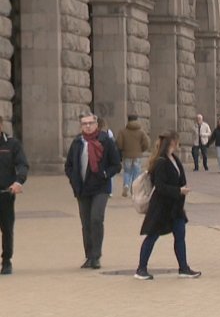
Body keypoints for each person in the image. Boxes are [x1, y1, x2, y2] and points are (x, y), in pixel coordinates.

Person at [133, 130, 201, 280]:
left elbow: (179, 178)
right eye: (177, 141)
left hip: (175, 207)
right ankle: (141, 268)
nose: (178, 144)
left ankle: (183, 268)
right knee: (152, 236)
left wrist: (181, 189)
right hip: (161, 207)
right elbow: (160, 186)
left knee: (180, 235)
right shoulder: (161, 162)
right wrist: (178, 190)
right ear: (172, 142)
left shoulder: (173, 159)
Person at [64, 112, 122, 270]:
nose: (88, 126)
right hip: (82, 189)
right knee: (86, 223)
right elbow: (68, 165)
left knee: (96, 219)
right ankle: (89, 256)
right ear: (81, 126)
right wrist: (73, 179)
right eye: (84, 124)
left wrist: (105, 174)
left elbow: (116, 164)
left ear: (96, 124)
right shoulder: (77, 142)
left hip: (100, 188)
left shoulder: (106, 141)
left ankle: (96, 256)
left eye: (90, 123)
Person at [0, 120, 28, 275]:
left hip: (5, 194)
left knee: (7, 229)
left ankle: (6, 261)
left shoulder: (12, 145)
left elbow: (22, 165)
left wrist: (18, 181)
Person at [116, 114, 150, 197]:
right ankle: (134, 189)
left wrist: (122, 149)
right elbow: (147, 143)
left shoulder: (122, 131)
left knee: (127, 171)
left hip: (127, 154)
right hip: (137, 155)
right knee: (136, 173)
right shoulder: (141, 131)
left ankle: (126, 185)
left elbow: (119, 143)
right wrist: (141, 150)